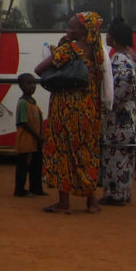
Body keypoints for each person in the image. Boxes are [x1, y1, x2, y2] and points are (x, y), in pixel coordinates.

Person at [35, 12, 106, 215]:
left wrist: (59, 51)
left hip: (66, 109)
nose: (68, 30)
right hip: (89, 110)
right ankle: (92, 202)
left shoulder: (68, 49)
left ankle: (63, 203)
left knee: (62, 152)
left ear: (83, 31)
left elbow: (40, 69)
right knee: (87, 153)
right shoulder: (97, 51)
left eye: (72, 27)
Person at [99, 17, 136, 206]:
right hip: (131, 116)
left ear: (115, 39)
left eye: (108, 34)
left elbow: (120, 88)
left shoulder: (119, 59)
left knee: (114, 156)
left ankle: (114, 195)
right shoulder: (134, 57)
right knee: (126, 158)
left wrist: (108, 104)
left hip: (118, 119)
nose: (106, 37)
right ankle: (123, 193)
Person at [14, 73, 46, 197]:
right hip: (26, 140)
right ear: (21, 86)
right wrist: (37, 136)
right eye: (29, 83)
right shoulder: (22, 102)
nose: (32, 86)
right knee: (23, 167)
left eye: (34, 83)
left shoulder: (33, 102)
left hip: (35, 141)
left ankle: (36, 188)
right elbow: (23, 123)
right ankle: (19, 190)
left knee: (36, 167)